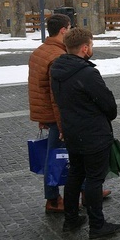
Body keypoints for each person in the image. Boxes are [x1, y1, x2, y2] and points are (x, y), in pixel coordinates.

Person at [50, 27, 120, 239]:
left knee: (75, 175)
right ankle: (97, 225)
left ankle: (71, 219)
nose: (92, 48)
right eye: (91, 45)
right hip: (93, 134)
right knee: (93, 179)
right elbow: (108, 104)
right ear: (84, 48)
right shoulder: (87, 73)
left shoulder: (58, 69)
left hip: (72, 131)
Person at [28, 14, 70, 214]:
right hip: (56, 116)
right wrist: (61, 125)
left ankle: (87, 189)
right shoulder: (57, 56)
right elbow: (55, 95)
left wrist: (41, 117)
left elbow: (37, 87)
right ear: (63, 30)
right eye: (69, 28)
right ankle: (52, 199)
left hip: (47, 114)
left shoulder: (40, 51)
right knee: (55, 157)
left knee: (58, 154)